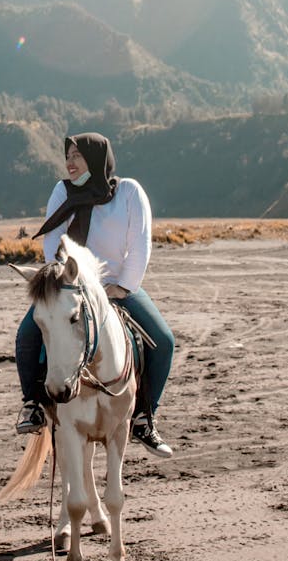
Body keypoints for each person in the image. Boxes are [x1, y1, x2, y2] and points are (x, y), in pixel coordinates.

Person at [15, 132, 174, 458]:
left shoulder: (129, 192)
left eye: (77, 155)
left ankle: (145, 416)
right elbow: (51, 241)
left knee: (164, 341)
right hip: (72, 286)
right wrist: (62, 282)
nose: (70, 162)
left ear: (97, 157)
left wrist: (123, 286)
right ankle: (32, 404)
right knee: (27, 335)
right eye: (68, 156)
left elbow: (140, 244)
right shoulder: (63, 191)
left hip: (118, 285)